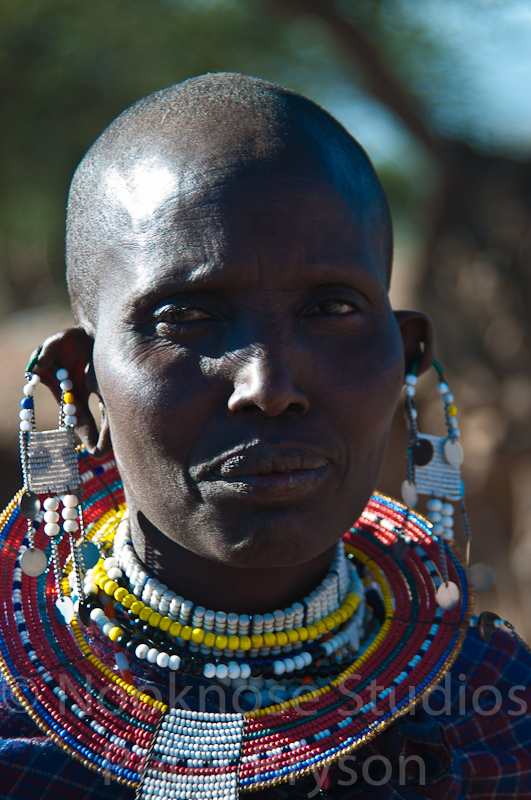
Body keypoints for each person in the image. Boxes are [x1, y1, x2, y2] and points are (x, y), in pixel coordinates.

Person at [0, 73, 530, 800]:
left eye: (331, 307)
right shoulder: (16, 724)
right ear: (79, 379)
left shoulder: (486, 716)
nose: (270, 386)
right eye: (184, 317)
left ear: (403, 357)